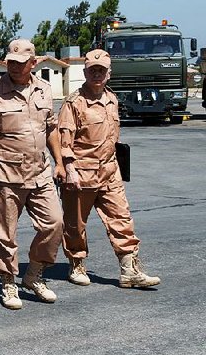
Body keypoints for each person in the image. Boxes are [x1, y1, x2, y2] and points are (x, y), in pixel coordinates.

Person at [0, 39, 65, 310]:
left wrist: (59, 161)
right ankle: (9, 282)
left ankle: (33, 274)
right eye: (10, 62)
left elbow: (51, 128)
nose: (14, 67)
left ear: (33, 63)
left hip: (40, 171)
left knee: (54, 223)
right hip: (5, 174)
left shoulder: (44, 90)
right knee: (5, 234)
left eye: (20, 63)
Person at [59, 49, 160, 288]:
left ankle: (129, 270)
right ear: (84, 72)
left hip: (109, 172)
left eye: (101, 70)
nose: (97, 74)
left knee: (122, 219)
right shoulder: (74, 103)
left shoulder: (112, 99)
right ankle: (76, 264)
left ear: (109, 74)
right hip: (81, 174)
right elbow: (64, 141)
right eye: (92, 70)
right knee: (75, 224)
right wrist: (69, 169)